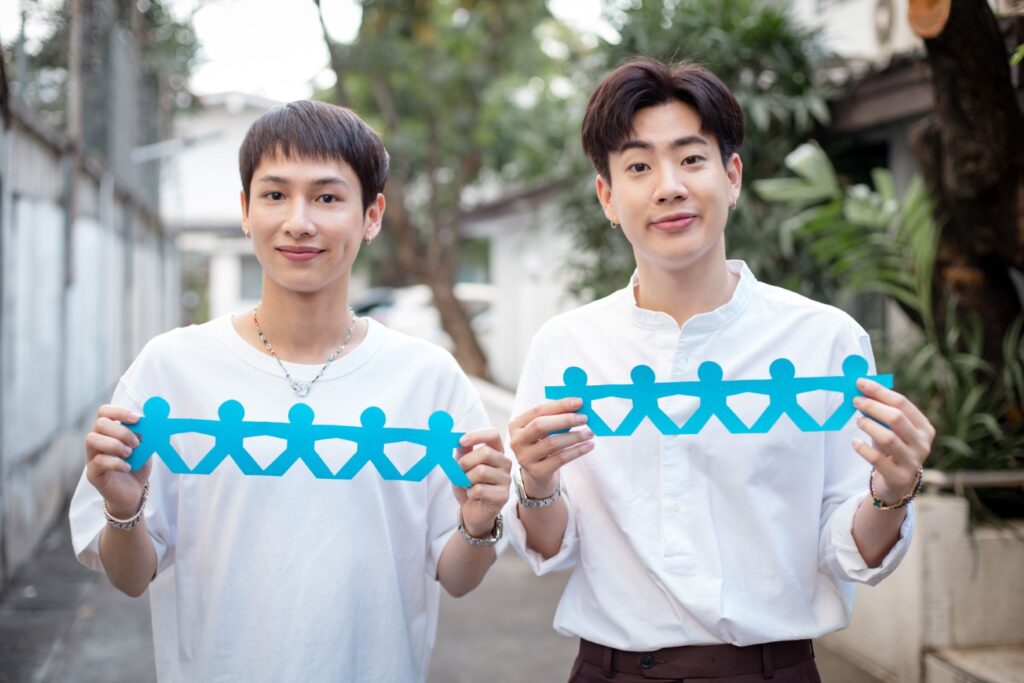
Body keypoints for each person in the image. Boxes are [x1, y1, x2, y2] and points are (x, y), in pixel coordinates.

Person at [505, 58, 935, 683]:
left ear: (731, 177)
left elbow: (849, 549)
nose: (669, 187)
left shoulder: (825, 340)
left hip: (772, 669)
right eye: (638, 167)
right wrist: (537, 484)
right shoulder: (566, 347)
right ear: (607, 197)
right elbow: (552, 547)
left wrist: (892, 492)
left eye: (691, 158)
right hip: (609, 669)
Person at [69, 100, 510, 682]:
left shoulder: (428, 378)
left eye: (327, 198)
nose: (298, 222)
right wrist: (123, 510)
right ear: (246, 211)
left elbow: (457, 578)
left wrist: (478, 522)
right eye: (275, 194)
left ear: (372, 215)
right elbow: (130, 579)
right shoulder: (170, 370)